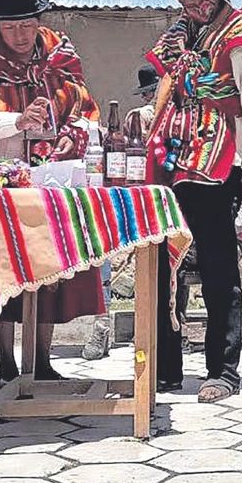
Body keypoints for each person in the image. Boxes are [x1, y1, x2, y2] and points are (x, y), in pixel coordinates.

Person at [147, 0, 242, 403]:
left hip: (221, 164)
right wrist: (147, 119)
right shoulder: (181, 36)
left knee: (220, 266)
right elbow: (170, 94)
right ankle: (165, 366)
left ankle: (223, 369)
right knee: (163, 260)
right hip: (173, 160)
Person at [0, 0, 104, 381]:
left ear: (39, 19)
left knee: (47, 266)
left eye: (27, 25)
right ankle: (4, 361)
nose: (20, 35)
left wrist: (72, 133)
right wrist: (18, 121)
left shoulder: (59, 51)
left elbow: (83, 106)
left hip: (50, 177)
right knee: (0, 267)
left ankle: (40, 361)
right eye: (10, 26)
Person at [82, 64, 162, 362]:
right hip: (136, 196)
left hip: (159, 199)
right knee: (105, 251)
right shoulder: (140, 118)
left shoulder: (150, 116)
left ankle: (149, 331)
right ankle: (107, 325)